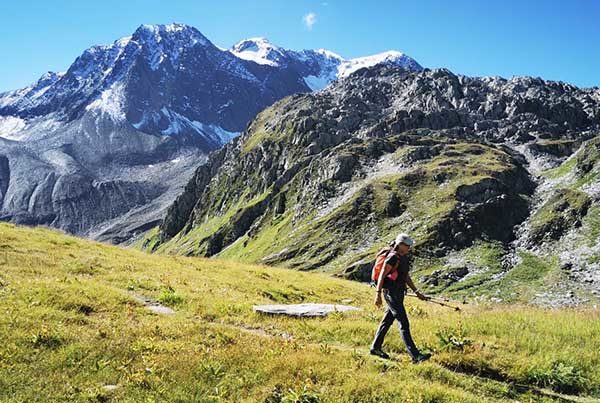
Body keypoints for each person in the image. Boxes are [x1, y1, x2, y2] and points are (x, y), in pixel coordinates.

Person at [370, 233, 431, 363]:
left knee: (387, 321)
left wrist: (417, 292)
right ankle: (415, 355)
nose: (409, 247)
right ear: (400, 245)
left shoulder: (402, 257)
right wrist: (378, 294)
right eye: (407, 245)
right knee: (404, 323)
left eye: (409, 245)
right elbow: (382, 275)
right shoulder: (392, 257)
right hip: (391, 294)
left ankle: (375, 347)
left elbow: (405, 277)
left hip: (398, 293)